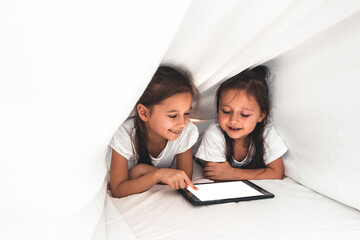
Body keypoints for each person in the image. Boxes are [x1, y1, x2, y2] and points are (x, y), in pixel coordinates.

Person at [108, 65, 199, 198]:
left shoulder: (185, 132)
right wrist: (158, 174)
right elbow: (118, 190)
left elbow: (182, 180)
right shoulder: (125, 135)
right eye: (173, 115)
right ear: (144, 113)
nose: (183, 122)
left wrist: (143, 170)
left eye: (186, 113)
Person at [195, 66, 287, 181]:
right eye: (226, 111)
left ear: (261, 115)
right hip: (198, 133)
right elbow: (216, 174)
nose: (233, 120)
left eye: (244, 114)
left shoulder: (266, 132)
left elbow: (276, 173)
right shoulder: (214, 134)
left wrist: (233, 173)